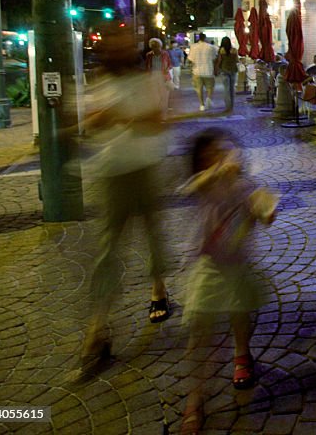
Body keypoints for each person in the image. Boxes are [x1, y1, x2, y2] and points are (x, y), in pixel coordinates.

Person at [81, 35, 171, 376]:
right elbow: (89, 123)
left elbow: (157, 123)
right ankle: (98, 326)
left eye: (123, 48)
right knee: (108, 249)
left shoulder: (146, 81)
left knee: (152, 235)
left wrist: (125, 118)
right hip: (111, 173)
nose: (118, 52)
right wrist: (98, 119)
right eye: (112, 49)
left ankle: (158, 288)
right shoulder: (97, 83)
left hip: (144, 168)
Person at [178, 128, 278, 433]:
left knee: (239, 317)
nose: (222, 157)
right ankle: (195, 401)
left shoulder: (246, 187)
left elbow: (266, 214)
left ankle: (241, 354)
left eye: (225, 152)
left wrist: (265, 209)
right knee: (199, 326)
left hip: (238, 267)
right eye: (212, 154)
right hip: (208, 266)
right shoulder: (205, 185)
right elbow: (190, 189)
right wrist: (218, 171)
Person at [188, 33, 218, 112]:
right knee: (210, 88)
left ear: (199, 38)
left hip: (197, 71)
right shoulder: (211, 47)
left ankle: (202, 105)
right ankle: (208, 99)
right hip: (208, 70)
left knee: (199, 89)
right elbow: (214, 58)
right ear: (205, 38)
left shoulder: (193, 47)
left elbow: (191, 60)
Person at [144, 37, 172, 112]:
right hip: (153, 75)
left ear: (160, 46)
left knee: (165, 95)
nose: (155, 48)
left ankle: (164, 110)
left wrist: (167, 69)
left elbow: (170, 64)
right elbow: (147, 67)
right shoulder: (149, 55)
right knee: (155, 95)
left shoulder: (165, 54)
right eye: (153, 46)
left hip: (164, 76)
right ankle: (157, 109)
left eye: (157, 46)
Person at [215, 37, 239, 112]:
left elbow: (219, 61)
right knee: (232, 89)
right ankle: (232, 106)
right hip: (233, 70)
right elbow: (237, 60)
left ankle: (227, 106)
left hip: (224, 70)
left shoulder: (221, 51)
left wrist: (217, 69)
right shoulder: (234, 50)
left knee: (226, 89)